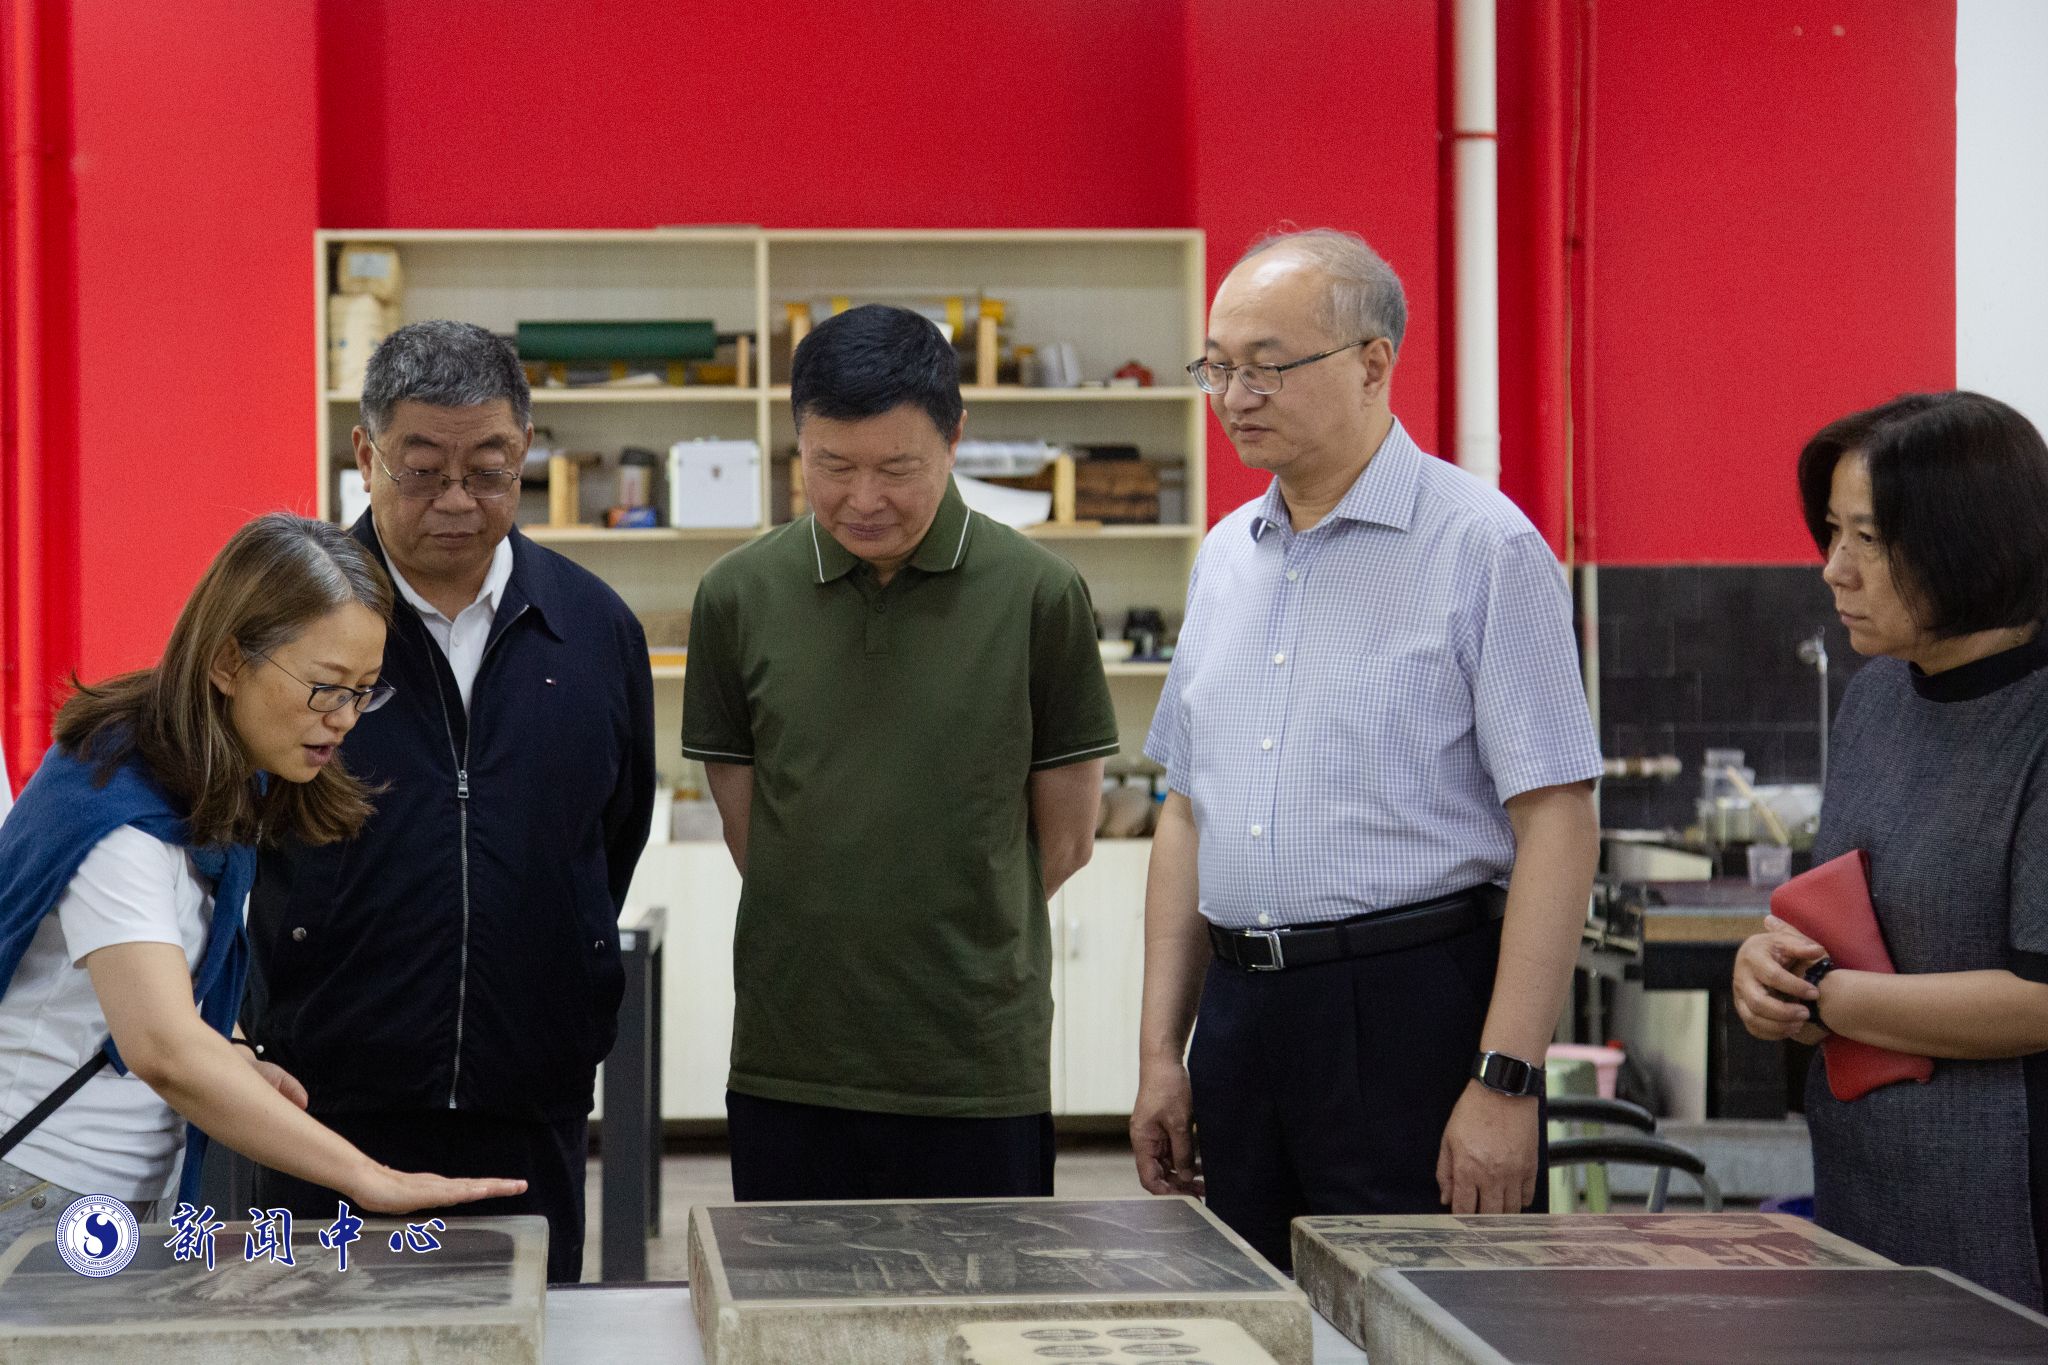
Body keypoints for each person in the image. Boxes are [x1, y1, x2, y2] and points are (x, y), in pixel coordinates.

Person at [1128, 229, 1603, 1271]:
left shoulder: (1483, 548)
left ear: (1372, 362)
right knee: (1254, 1318)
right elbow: (1187, 811)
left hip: (1407, 1012)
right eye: (1217, 367)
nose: (1234, 396)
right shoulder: (1224, 558)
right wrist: (1163, 1052)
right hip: (1243, 1018)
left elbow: (1558, 822)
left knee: (1427, 1314)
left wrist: (1506, 1078)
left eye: (1266, 367)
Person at [244, 322, 655, 1282]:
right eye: (423, 470)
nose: (459, 500)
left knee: (526, 1326)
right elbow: (234, 826)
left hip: (530, 1095)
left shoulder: (593, 628)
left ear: (528, 448)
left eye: (491, 468)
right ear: (365, 455)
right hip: (321, 1103)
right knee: (323, 1335)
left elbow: (611, 836)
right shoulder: (290, 625)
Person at [683, 303, 1117, 1202]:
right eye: (832, 466)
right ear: (798, 444)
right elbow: (752, 831)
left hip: (974, 1061)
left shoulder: (1040, 595)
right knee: (785, 1289)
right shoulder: (736, 596)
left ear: (954, 439)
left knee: (981, 1291)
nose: (863, 499)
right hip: (792, 1057)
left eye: (896, 468)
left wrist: (949, 915)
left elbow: (1069, 840)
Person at [0, 513, 525, 1248]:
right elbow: (162, 1045)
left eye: (363, 691)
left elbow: (180, 982)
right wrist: (367, 1177)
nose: (345, 719)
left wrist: (240, 1052)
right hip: (36, 1185)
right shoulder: (117, 814)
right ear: (228, 662)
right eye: (326, 687)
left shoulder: (212, 779)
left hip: (112, 1184)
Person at [1733, 391, 2048, 1309]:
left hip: (2008, 1196)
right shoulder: (1877, 699)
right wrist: (1771, 969)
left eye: (1868, 539)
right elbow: (1849, 913)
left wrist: (1827, 999)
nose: (1834, 569)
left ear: (1968, 540)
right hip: (1867, 1184)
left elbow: (2040, 996)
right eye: (1833, 532)